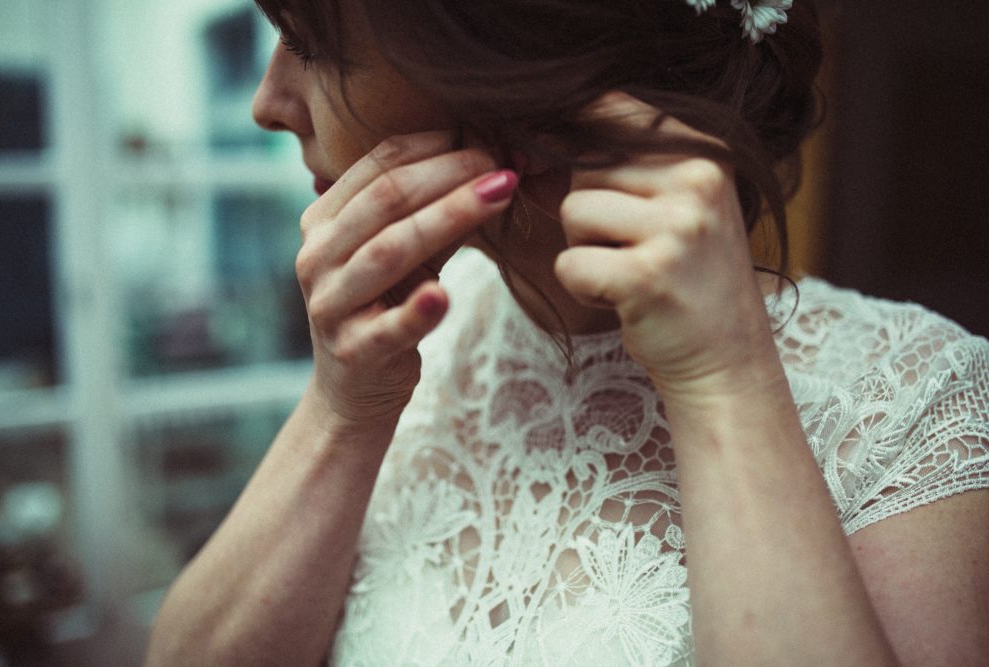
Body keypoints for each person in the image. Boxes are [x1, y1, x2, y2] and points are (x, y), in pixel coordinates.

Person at [146, 0, 989, 664]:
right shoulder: (418, 321)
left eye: (312, 43)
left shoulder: (922, 404)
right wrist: (342, 408)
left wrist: (724, 383)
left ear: (516, 73)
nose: (266, 103)